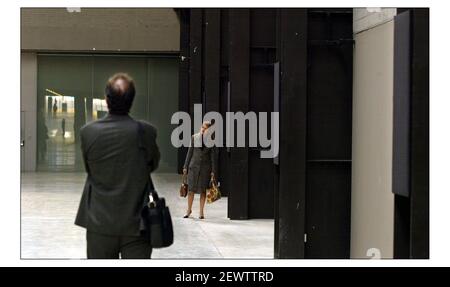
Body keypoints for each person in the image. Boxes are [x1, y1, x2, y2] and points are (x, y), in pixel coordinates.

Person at [75, 73, 160, 259]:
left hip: (99, 222)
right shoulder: (146, 132)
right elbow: (153, 164)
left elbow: (89, 168)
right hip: (138, 223)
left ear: (106, 100)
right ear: (132, 99)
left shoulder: (88, 132)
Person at [182, 121, 217, 219]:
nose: (203, 129)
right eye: (202, 127)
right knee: (190, 190)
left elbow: (213, 158)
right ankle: (188, 210)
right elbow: (189, 153)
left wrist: (213, 171)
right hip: (193, 168)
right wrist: (185, 166)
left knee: (203, 191)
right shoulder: (194, 137)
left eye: (205, 128)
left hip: (205, 169)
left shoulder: (211, 141)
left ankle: (201, 212)